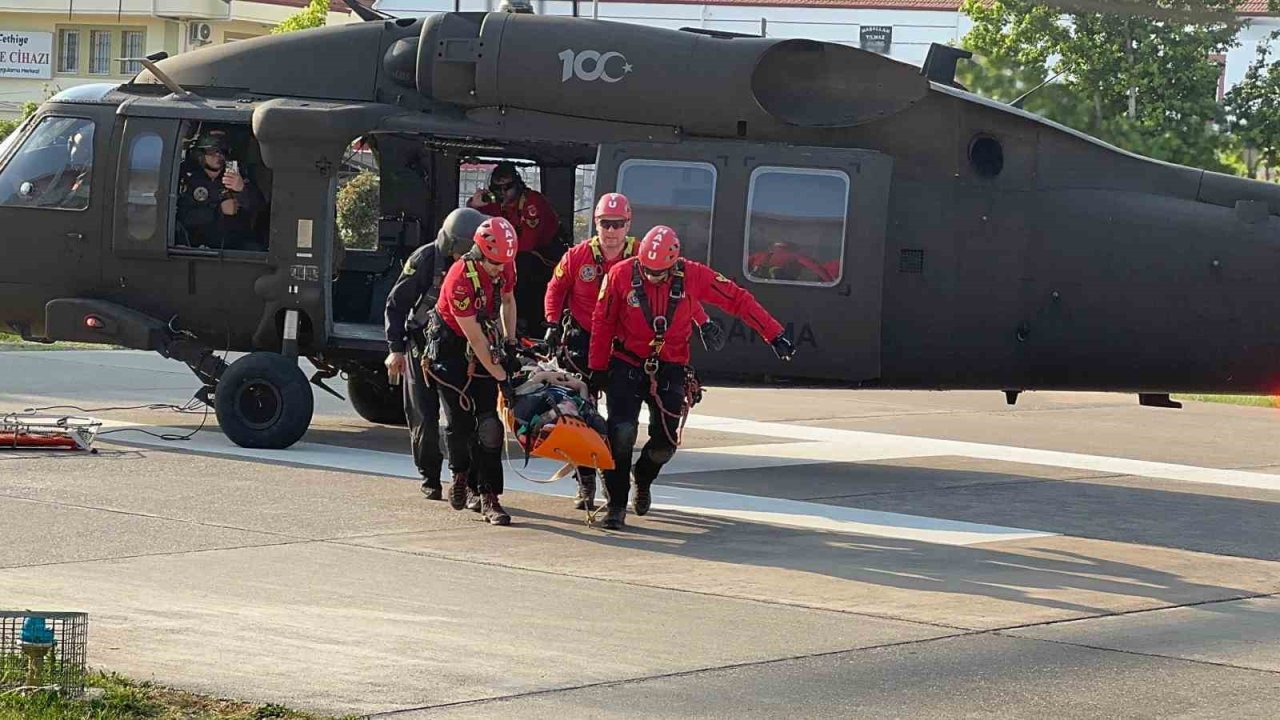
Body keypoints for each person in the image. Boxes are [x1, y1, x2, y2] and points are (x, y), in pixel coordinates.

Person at [587, 225, 796, 529]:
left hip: (671, 366)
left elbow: (738, 299)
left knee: (665, 445)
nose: (651, 277)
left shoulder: (694, 275)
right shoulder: (619, 275)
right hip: (627, 362)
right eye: (646, 270)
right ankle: (616, 505)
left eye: (659, 273)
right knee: (621, 433)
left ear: (674, 264)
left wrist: (774, 334)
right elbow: (602, 321)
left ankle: (642, 477)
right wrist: (597, 369)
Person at [542, 192, 723, 511]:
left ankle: (639, 478)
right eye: (604, 224)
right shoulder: (577, 256)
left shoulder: (645, 256)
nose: (610, 231)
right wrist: (553, 323)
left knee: (632, 429)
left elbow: (680, 297)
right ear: (595, 223)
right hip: (585, 341)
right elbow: (555, 290)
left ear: (628, 225)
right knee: (580, 416)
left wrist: (703, 322)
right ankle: (585, 480)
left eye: (617, 224)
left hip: (630, 347)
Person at [424, 216, 521, 526]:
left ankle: (491, 497)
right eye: (493, 262)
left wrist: (510, 341)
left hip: (485, 337)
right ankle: (460, 475)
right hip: (452, 347)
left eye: (504, 262)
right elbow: (475, 338)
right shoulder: (460, 278)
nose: (499, 268)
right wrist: (503, 378)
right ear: (479, 250)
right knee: (459, 423)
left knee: (490, 426)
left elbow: (507, 300)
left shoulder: (505, 265)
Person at [384, 208, 486, 500]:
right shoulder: (425, 259)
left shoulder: (479, 266)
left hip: (458, 349)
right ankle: (430, 475)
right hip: (421, 346)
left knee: (462, 419)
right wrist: (395, 348)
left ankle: (464, 478)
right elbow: (396, 305)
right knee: (423, 416)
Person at [467, 161, 560, 336]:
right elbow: (472, 226)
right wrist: (474, 206)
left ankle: (526, 323)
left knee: (521, 264)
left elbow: (527, 244)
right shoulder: (496, 204)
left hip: (543, 259)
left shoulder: (532, 203)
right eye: (498, 188)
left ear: (517, 185)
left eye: (507, 187)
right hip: (513, 256)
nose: (503, 192)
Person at [177, 130, 265, 251]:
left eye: (222, 151)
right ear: (201, 154)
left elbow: (260, 208)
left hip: (234, 247)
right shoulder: (188, 178)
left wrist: (242, 190)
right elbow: (182, 215)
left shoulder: (236, 175)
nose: (218, 156)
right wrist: (218, 211)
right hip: (197, 247)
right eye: (212, 151)